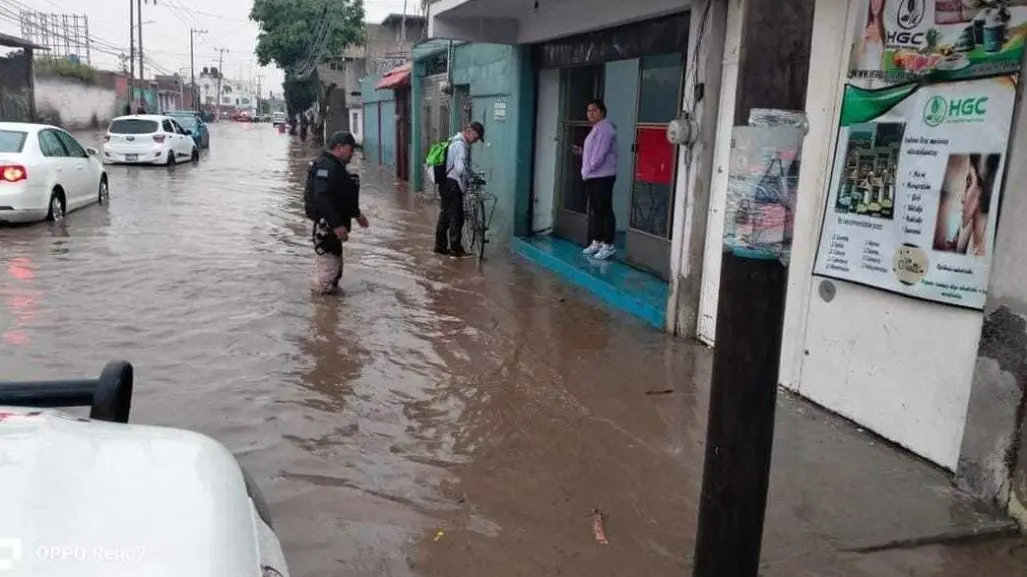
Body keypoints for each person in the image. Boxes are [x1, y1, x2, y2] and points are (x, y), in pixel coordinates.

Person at [303, 131, 369, 295]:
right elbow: (322, 197)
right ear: (339, 148)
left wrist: (357, 215)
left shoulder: (336, 167)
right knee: (327, 273)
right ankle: (322, 313)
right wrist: (337, 225)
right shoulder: (325, 167)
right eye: (350, 148)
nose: (353, 152)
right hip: (326, 227)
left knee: (335, 269)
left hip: (332, 226)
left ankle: (333, 309)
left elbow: (343, 197)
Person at [434, 121, 485, 257]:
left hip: (444, 183)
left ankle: (440, 247)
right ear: (470, 132)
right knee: (457, 217)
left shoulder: (453, 140)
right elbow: (460, 169)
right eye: (476, 137)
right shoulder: (461, 145)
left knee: (445, 215)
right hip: (452, 184)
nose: (476, 141)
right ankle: (456, 250)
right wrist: (470, 178)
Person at [578, 99, 618, 260]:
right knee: (596, 209)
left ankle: (608, 244)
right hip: (592, 175)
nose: (591, 113)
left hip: (603, 176)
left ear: (602, 111)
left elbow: (599, 155)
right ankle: (597, 240)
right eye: (588, 111)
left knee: (604, 209)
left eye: (594, 110)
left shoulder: (606, 128)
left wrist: (588, 169)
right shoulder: (596, 129)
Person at [856, 0, 886, 72]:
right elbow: (859, 57)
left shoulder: (885, 27)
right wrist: (863, 40)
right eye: (873, 2)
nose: (875, 5)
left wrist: (878, 40)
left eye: (878, 3)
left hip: (876, 70)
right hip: (864, 69)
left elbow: (883, 55)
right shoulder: (866, 26)